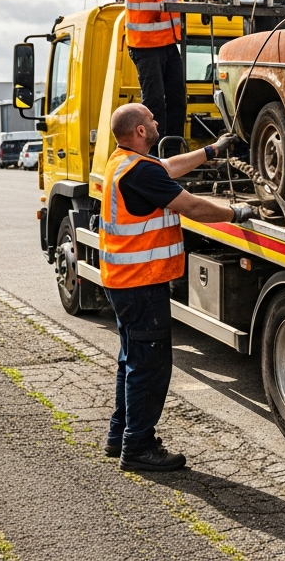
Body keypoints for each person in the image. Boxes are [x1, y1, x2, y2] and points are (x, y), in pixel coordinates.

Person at [99, 102, 256, 471]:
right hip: (141, 284)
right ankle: (138, 448)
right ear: (140, 131)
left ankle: (120, 434)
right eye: (151, 120)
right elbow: (194, 207)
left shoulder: (123, 162)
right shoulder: (140, 173)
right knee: (149, 366)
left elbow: (168, 168)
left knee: (132, 360)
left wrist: (212, 151)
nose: (157, 123)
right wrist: (235, 214)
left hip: (123, 282)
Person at [125, 0, 203, 152]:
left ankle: (173, 151)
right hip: (145, 49)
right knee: (154, 104)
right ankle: (156, 155)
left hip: (168, 45)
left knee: (178, 100)